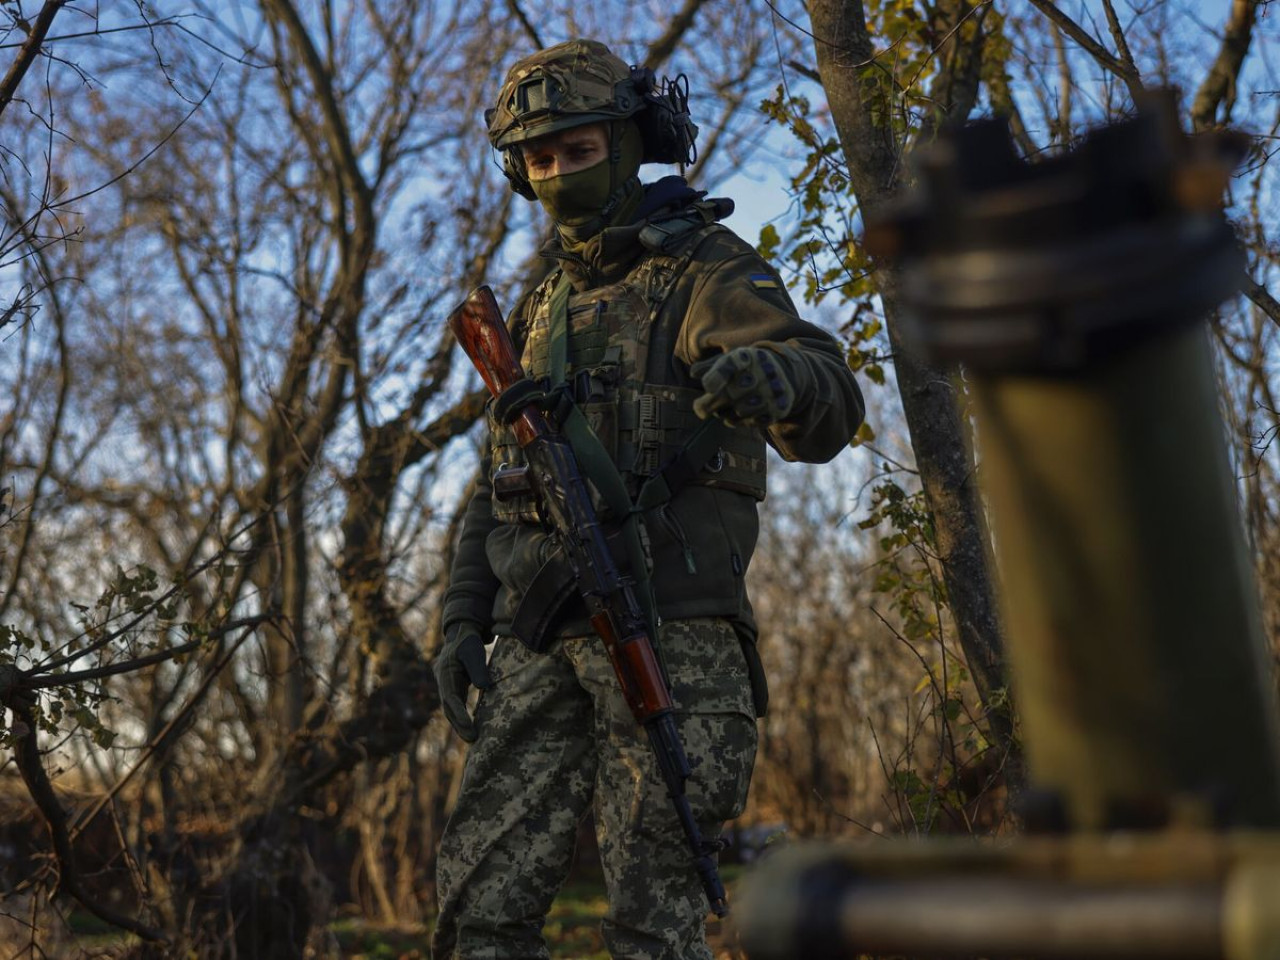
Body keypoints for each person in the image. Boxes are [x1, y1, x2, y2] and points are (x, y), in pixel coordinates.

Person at [431, 38, 864, 960]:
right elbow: (502, 480)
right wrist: (465, 618)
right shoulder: (539, 305)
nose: (557, 175)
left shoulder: (708, 268)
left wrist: (772, 380)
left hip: (674, 639)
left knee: (653, 924)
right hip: (540, 636)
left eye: (579, 151)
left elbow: (827, 394)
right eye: (539, 160)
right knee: (477, 914)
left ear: (632, 144)